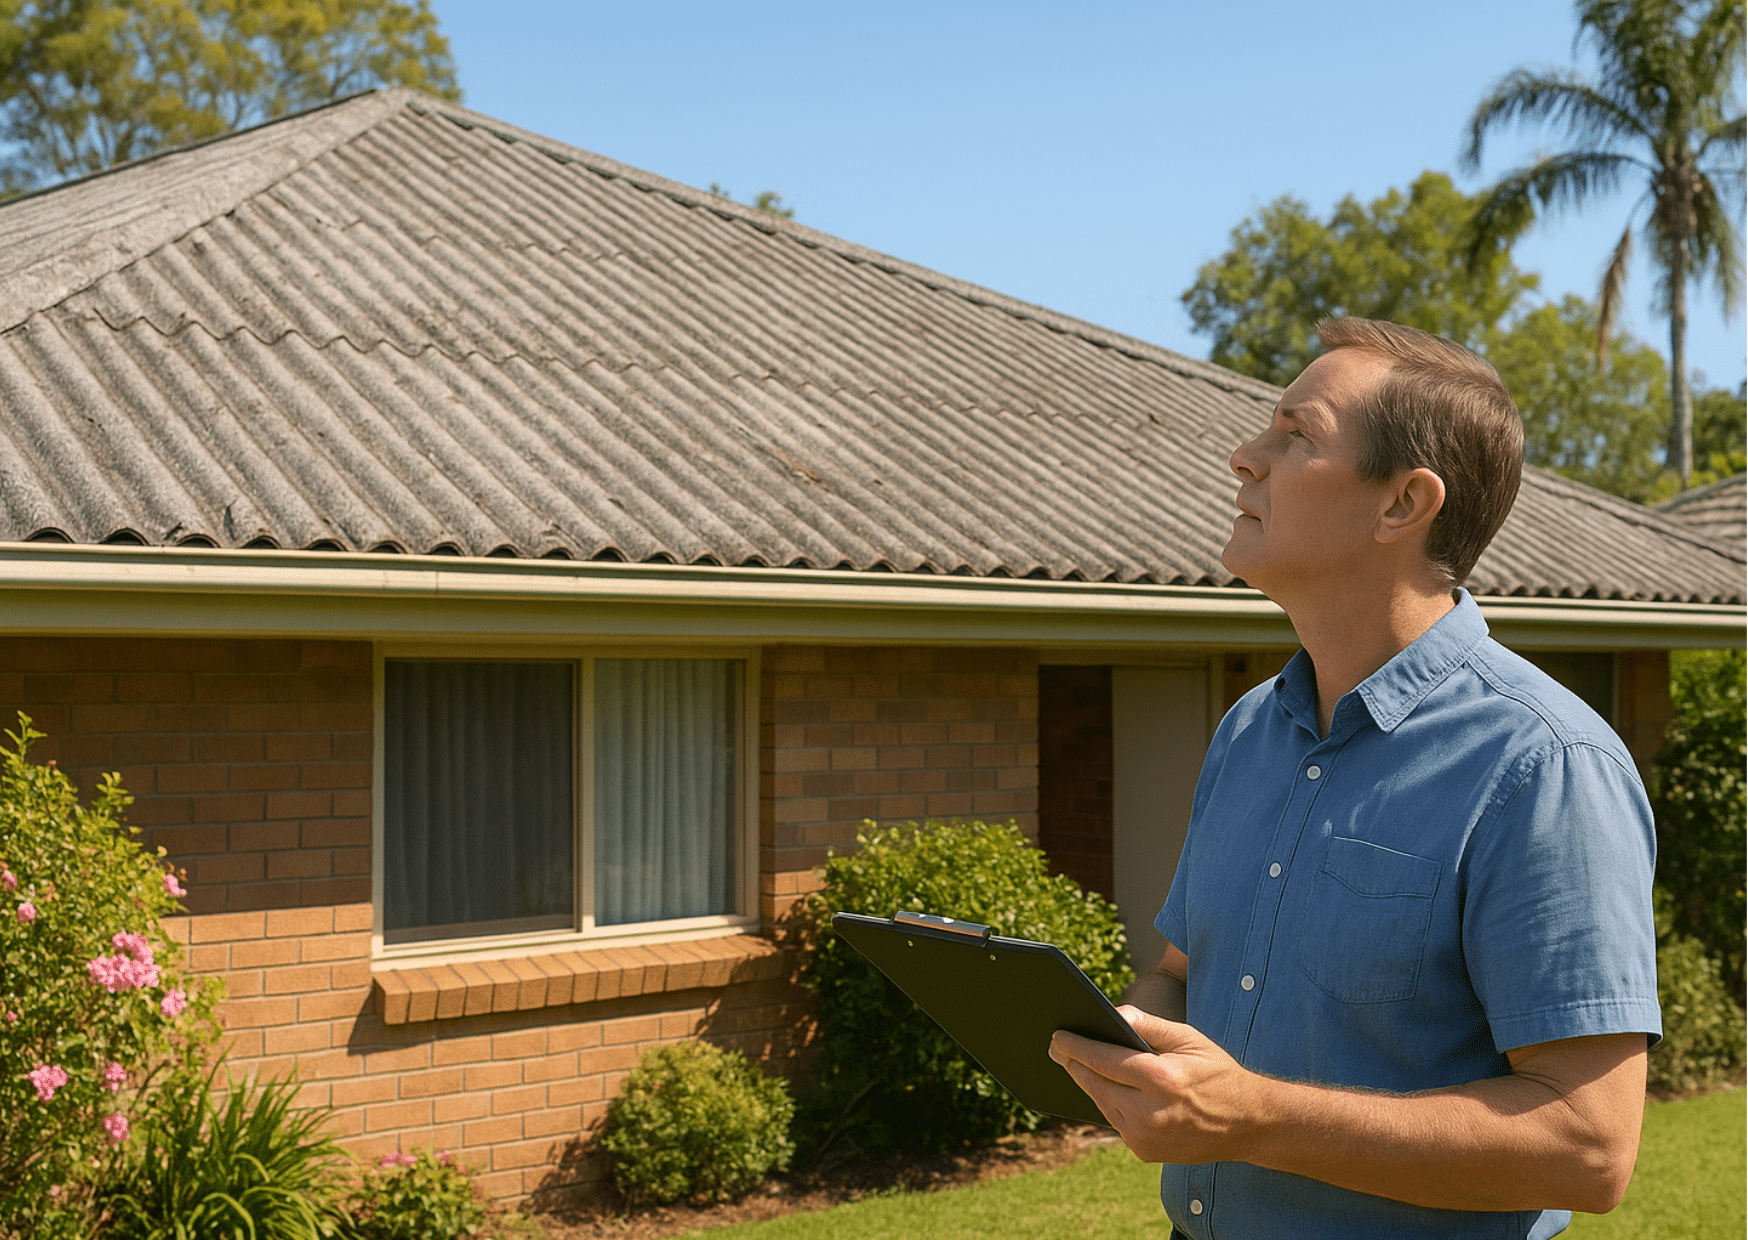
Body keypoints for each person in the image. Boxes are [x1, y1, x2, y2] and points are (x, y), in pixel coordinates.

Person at [1049, 318, 1661, 1239]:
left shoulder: (1545, 766)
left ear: (1402, 504)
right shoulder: (1249, 730)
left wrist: (1251, 1116)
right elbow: (1179, 976)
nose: (1242, 457)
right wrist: (1106, 1041)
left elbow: (1588, 1146)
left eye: (1296, 435)